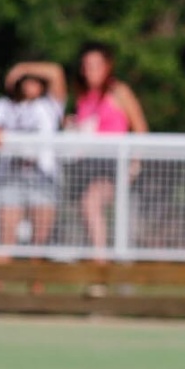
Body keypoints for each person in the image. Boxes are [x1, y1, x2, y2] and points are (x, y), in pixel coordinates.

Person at [66, 42, 149, 262]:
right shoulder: (83, 96)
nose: (90, 70)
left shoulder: (119, 91)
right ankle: (96, 257)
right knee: (87, 210)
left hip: (113, 164)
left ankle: (99, 263)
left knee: (91, 202)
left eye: (95, 65)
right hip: (87, 164)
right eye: (86, 66)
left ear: (107, 66)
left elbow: (140, 128)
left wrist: (134, 164)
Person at [0, 61, 67, 263]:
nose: (30, 85)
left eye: (35, 81)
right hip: (12, 176)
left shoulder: (50, 105)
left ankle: (35, 288)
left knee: (39, 241)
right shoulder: (5, 105)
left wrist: (21, 68)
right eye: (26, 81)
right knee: (6, 237)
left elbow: (55, 72)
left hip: (43, 177)